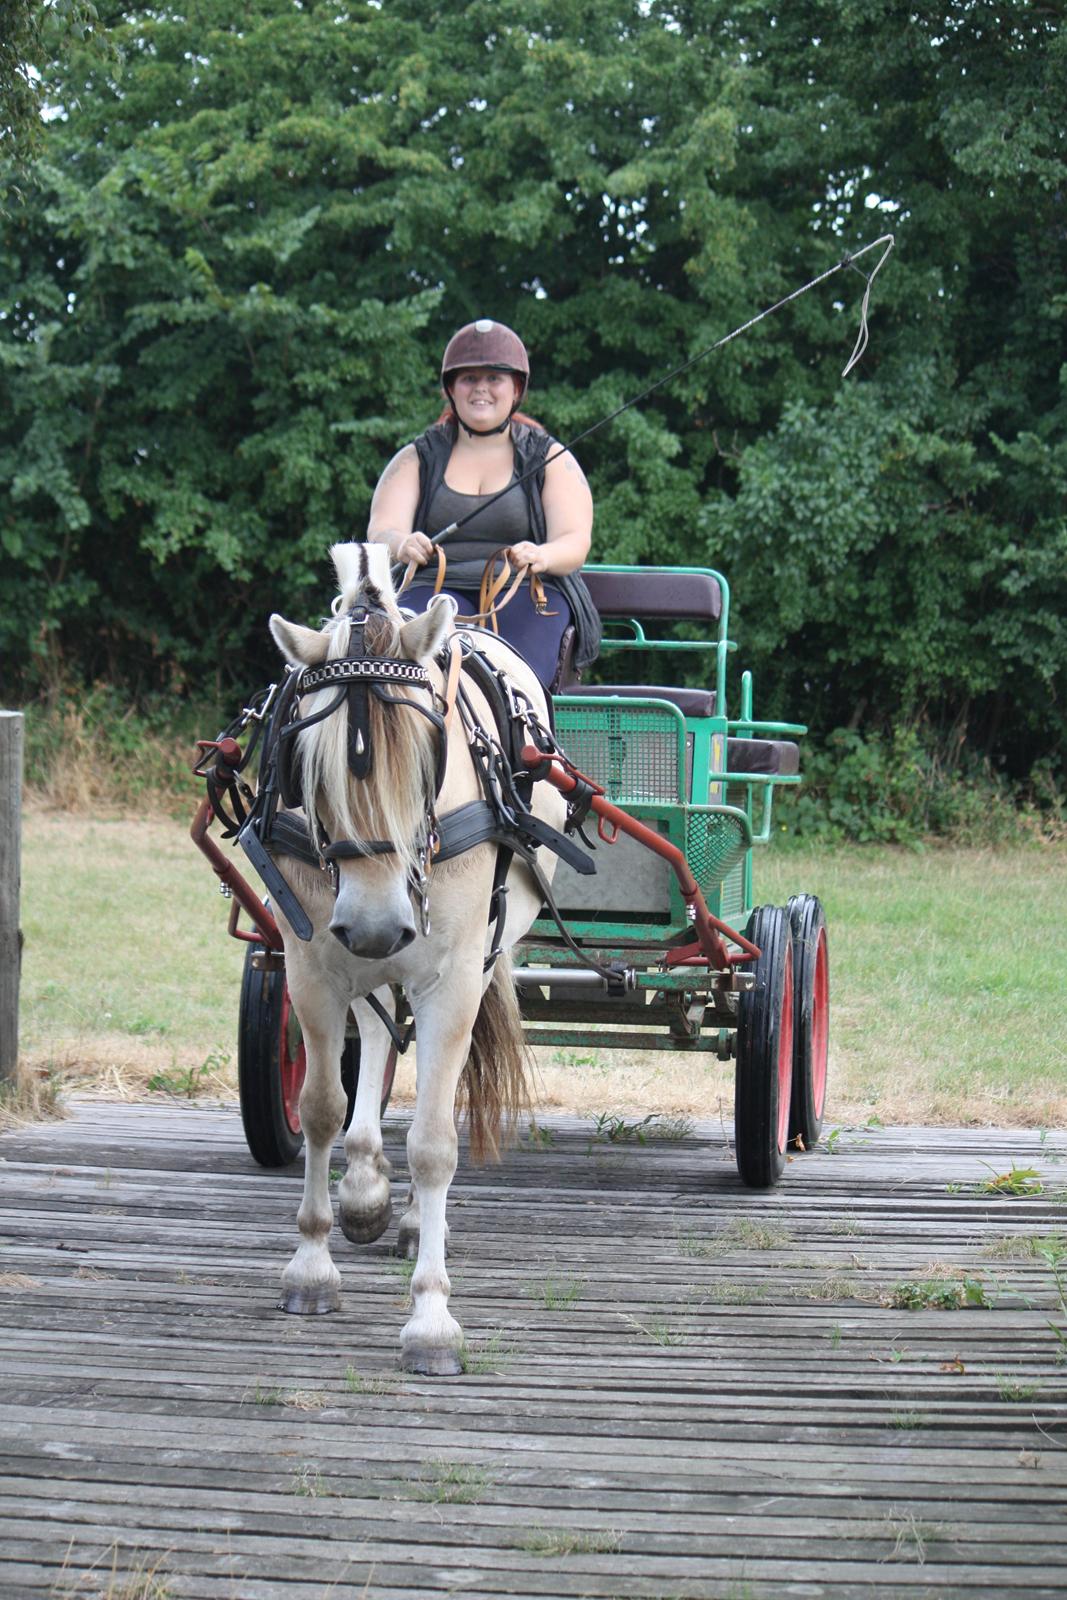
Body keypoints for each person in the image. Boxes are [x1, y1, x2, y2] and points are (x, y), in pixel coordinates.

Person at [367, 319, 600, 687]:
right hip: (434, 588)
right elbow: (382, 529)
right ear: (452, 389)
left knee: (516, 681)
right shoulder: (416, 458)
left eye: (494, 379)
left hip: (526, 592)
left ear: (516, 389)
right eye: (469, 379)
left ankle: (526, 743)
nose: (481, 389)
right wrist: (402, 542)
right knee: (405, 670)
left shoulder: (549, 458)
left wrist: (543, 556)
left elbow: (574, 541)